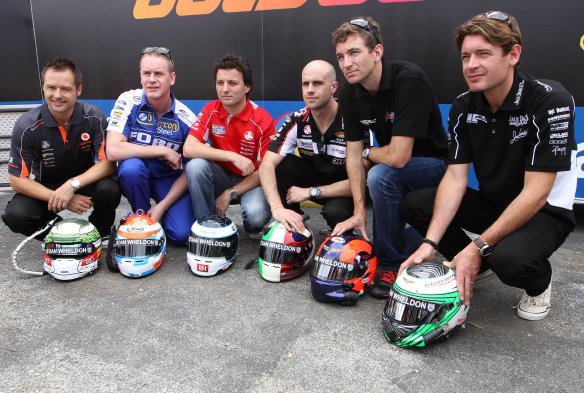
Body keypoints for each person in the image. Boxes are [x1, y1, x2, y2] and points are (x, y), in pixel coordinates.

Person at [399, 11, 577, 321]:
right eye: (466, 56)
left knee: (511, 261)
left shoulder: (550, 100)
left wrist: (477, 245)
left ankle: (539, 283)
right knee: (416, 204)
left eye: (483, 54)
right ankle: (478, 266)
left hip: (544, 211)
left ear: (513, 55)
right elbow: (455, 179)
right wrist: (431, 243)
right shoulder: (464, 105)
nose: (471, 64)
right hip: (496, 203)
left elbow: (536, 193)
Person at [330, 17, 448, 298]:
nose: (347, 62)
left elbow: (396, 157)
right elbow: (353, 155)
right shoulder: (348, 91)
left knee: (380, 174)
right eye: (341, 56)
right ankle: (400, 248)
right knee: (379, 176)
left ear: (377, 52)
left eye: (354, 52)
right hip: (398, 169)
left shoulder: (409, 79)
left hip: (436, 166)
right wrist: (359, 213)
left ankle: (390, 264)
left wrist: (370, 153)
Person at [2, 57, 120, 238]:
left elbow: (107, 164)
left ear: (78, 89)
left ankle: (98, 234)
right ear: (43, 87)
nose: (57, 95)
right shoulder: (26, 125)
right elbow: (17, 180)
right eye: (51, 87)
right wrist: (61, 198)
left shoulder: (94, 116)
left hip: (84, 182)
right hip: (46, 186)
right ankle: (64, 236)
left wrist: (72, 185)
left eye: (65, 88)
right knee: (16, 215)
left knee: (110, 189)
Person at [106, 47, 197, 245]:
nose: (151, 79)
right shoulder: (128, 100)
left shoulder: (186, 118)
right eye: (146, 73)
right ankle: (141, 218)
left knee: (182, 236)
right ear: (140, 76)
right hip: (138, 174)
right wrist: (162, 150)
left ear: (172, 78)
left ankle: (158, 214)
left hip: (168, 180)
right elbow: (112, 150)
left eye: (158, 74)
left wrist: (163, 207)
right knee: (131, 167)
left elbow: (189, 170)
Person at [259, 60, 361, 232]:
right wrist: (277, 208)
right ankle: (291, 224)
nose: (310, 90)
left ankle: (342, 232)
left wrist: (310, 192)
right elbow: (266, 165)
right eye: (305, 84)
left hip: (343, 190)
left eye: (317, 83)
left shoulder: (352, 119)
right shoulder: (297, 120)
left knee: (336, 213)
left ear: (333, 87)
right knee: (280, 165)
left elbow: (361, 182)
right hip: (312, 179)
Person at [183, 53, 274, 236]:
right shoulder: (211, 109)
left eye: (232, 83)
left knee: (255, 218)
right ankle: (207, 228)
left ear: (247, 87)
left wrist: (229, 194)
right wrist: (232, 156)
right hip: (222, 176)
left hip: (252, 180)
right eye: (220, 83)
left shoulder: (263, 119)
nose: (225, 89)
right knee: (195, 166)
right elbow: (189, 148)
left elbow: (265, 170)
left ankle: (250, 226)